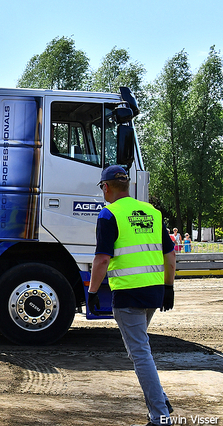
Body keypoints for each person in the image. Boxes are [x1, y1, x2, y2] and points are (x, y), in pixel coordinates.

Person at [87, 165, 176, 426]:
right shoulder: (152, 212)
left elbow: (102, 259)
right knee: (137, 349)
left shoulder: (109, 214)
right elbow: (170, 255)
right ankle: (160, 399)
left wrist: (92, 291)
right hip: (153, 292)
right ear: (127, 186)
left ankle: (160, 416)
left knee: (139, 353)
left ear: (106, 187)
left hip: (128, 294)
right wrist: (168, 287)